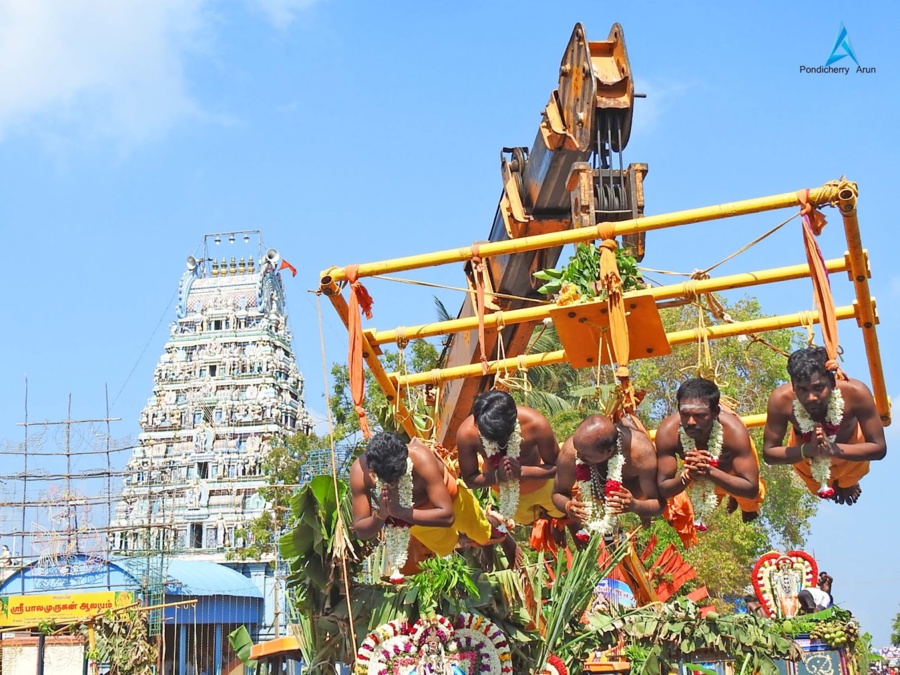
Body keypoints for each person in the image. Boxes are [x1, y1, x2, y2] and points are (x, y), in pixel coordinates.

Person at [350, 432, 496, 574]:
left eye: (398, 476)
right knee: (447, 546)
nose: (394, 484)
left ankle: (497, 532)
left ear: (405, 457)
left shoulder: (420, 456)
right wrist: (381, 515)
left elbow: (447, 516)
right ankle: (471, 538)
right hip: (415, 520)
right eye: (388, 480)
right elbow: (361, 531)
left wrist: (399, 512)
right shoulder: (359, 472)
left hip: (451, 501)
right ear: (372, 470)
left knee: (484, 532)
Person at [763, 346, 887, 504]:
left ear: (832, 382)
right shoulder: (780, 400)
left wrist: (832, 449)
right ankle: (830, 482)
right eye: (802, 389)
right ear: (793, 386)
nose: (811, 397)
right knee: (817, 487)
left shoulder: (856, 393)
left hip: (851, 456)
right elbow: (769, 453)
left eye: (818, 388)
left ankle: (848, 482)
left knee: (849, 478)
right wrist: (807, 450)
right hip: (807, 460)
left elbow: (879, 448)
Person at [656, 378, 764, 524]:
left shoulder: (734, 432)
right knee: (682, 512)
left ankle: (743, 504)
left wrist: (708, 470)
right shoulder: (668, 432)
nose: (691, 422)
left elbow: (751, 489)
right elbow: (663, 488)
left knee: (750, 501)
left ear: (715, 412)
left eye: (700, 415)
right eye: (685, 414)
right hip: (697, 477)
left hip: (733, 473)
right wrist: (687, 477)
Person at [552, 413, 664, 545]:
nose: (578, 456)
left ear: (609, 451)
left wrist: (636, 505)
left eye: (585, 456)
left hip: (635, 494)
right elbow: (557, 493)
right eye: (578, 450)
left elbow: (659, 503)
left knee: (644, 509)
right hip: (597, 494)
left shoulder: (640, 452)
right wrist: (568, 506)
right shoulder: (571, 451)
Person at [456, 391, 564, 526]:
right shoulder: (467, 434)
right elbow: (470, 479)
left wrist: (522, 472)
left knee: (561, 513)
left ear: (514, 423)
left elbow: (559, 468)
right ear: (478, 424)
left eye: (502, 438)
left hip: (544, 487)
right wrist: (497, 476)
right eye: (490, 438)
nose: (500, 446)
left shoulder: (535, 424)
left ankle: (564, 523)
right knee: (527, 521)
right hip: (505, 495)